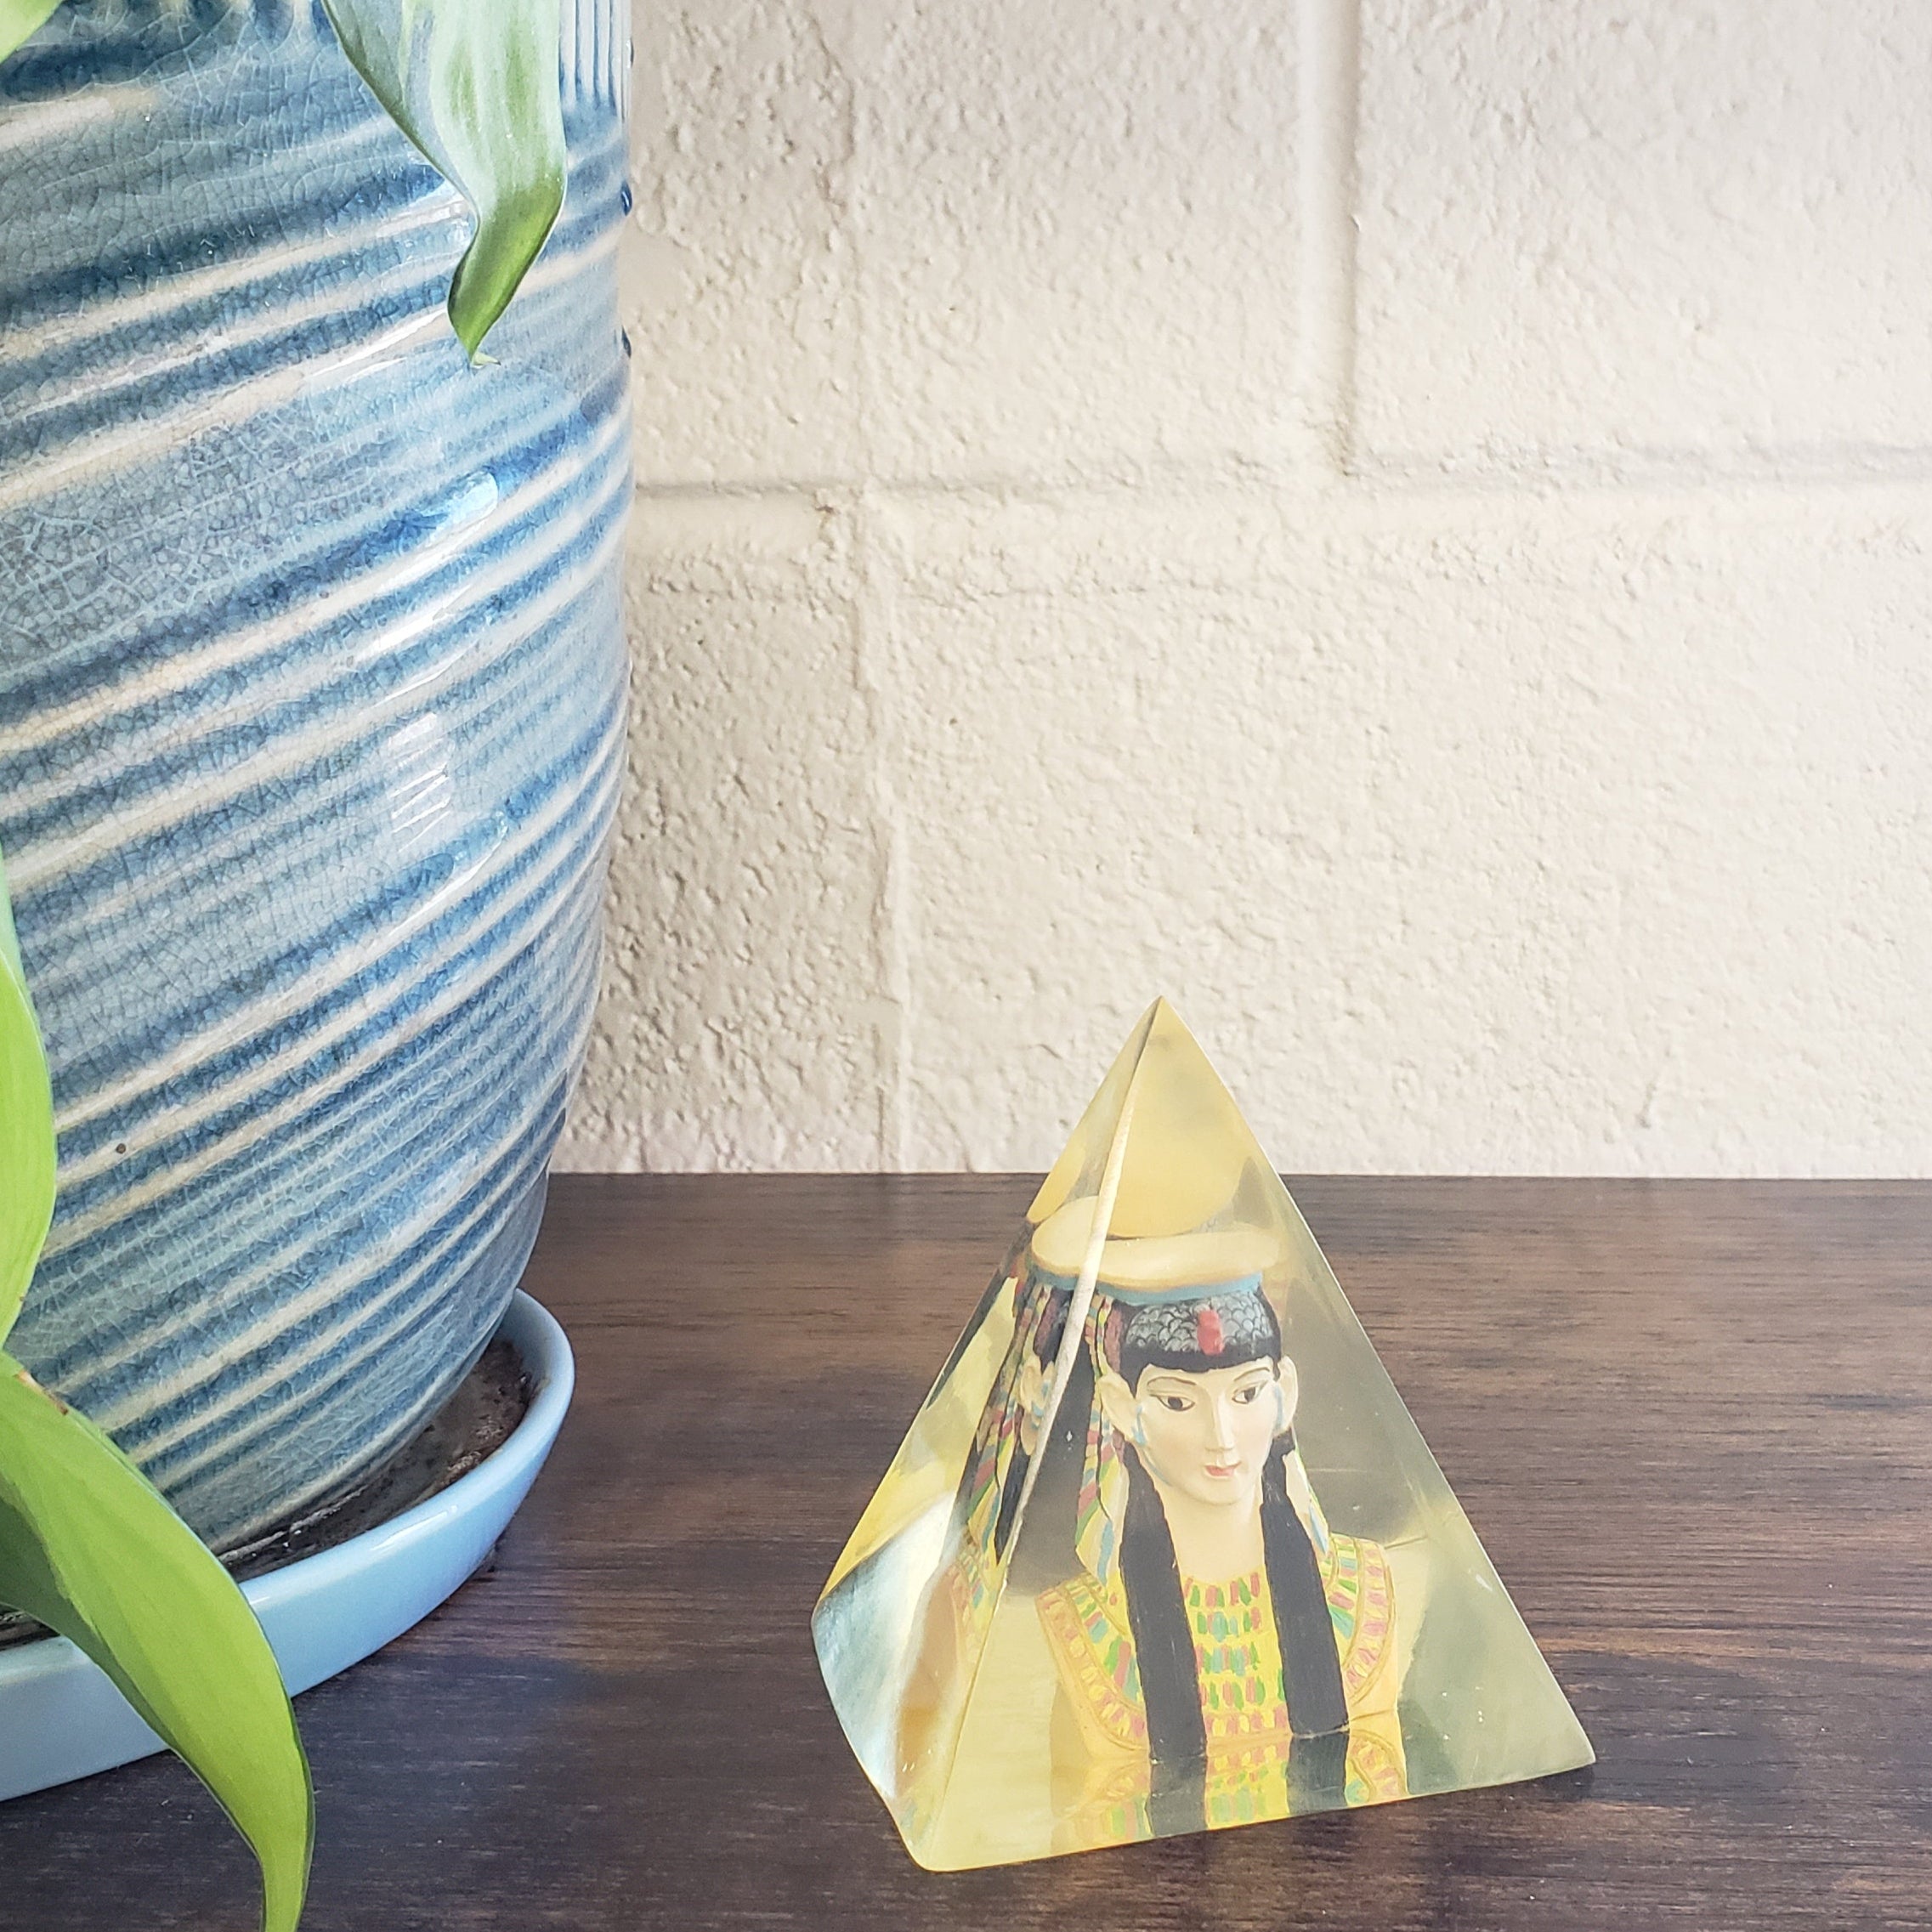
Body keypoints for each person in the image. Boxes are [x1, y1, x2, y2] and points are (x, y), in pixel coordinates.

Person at [1030, 1225, 1407, 1850]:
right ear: (1124, 1410)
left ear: (1285, 1394)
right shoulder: (1080, 1624)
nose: (1222, 1436)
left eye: (1247, 1393)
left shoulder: (1365, 1590)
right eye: (1178, 1402)